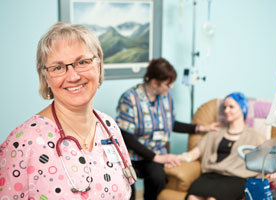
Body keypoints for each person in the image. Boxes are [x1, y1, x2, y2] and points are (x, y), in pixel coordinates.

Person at [0, 22, 135, 199]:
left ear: (99, 65)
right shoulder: (23, 143)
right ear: (45, 77)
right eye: (58, 67)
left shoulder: (109, 127)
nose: (73, 76)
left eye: (82, 62)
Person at [115, 58, 219, 200]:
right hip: (132, 155)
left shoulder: (166, 97)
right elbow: (126, 136)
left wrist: (202, 128)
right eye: (167, 84)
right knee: (127, 182)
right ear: (154, 83)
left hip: (155, 154)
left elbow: (170, 124)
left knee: (158, 178)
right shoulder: (130, 98)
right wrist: (157, 157)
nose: (171, 87)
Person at [176, 92, 267, 200]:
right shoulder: (214, 132)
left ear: (243, 108)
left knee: (212, 199)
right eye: (224, 107)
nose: (226, 110)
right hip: (211, 175)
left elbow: (268, 158)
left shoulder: (255, 136)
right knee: (192, 198)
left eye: (231, 107)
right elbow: (193, 154)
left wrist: (274, 172)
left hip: (235, 178)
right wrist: (173, 158)